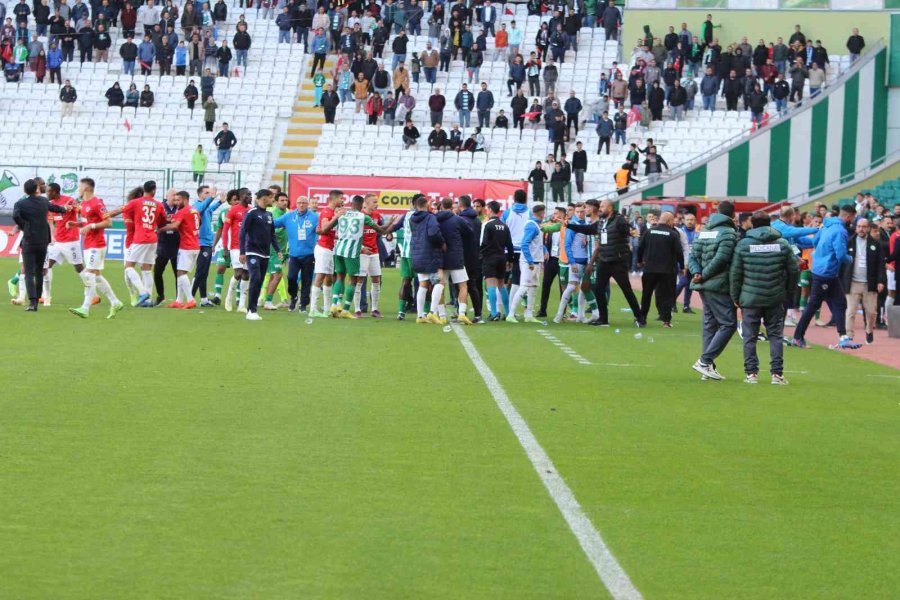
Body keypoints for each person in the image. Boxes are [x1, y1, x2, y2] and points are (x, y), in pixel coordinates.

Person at [730, 211, 799, 385]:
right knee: (775, 335)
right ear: (770, 223)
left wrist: (735, 295)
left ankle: (751, 374)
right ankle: (777, 374)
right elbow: (793, 270)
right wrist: (787, 291)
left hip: (750, 297)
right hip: (775, 296)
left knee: (750, 336)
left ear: (752, 223)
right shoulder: (782, 244)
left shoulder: (744, 244)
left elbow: (735, 273)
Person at [567, 200, 645, 327]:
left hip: (618, 261)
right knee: (598, 288)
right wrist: (568, 225)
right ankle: (603, 319)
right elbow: (587, 229)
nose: (600, 209)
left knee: (626, 290)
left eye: (603, 206)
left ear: (610, 208)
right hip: (604, 260)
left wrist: (632, 231)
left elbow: (628, 230)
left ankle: (640, 317)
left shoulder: (619, 220)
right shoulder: (601, 222)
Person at [688, 201, 739, 380]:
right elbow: (722, 259)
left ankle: (707, 367)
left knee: (710, 324)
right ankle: (704, 361)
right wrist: (704, 275)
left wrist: (697, 273)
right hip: (717, 284)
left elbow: (692, 256)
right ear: (733, 215)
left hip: (703, 284)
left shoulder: (704, 231)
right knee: (729, 323)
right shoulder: (729, 233)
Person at [319, 195, 389, 319]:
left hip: (338, 250)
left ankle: (334, 305)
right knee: (353, 280)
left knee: (340, 278)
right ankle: (345, 310)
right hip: (352, 252)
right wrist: (391, 222)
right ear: (362, 205)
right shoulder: (363, 217)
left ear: (351, 204)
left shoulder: (342, 214)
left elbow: (327, 228)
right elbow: (381, 230)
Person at [68, 178, 125, 319]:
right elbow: (87, 222)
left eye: (80, 186)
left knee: (89, 275)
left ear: (86, 188)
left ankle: (85, 308)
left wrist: (91, 226)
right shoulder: (84, 204)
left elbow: (108, 222)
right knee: (97, 277)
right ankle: (115, 302)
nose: (79, 189)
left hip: (97, 244)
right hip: (88, 244)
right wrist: (75, 224)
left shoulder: (97, 203)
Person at [11, 179, 71, 311]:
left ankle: (32, 302)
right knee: (39, 271)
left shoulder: (20, 204)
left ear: (25, 190)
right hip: (43, 240)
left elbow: (15, 216)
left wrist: (24, 226)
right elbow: (55, 208)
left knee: (28, 272)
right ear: (36, 189)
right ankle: (37, 300)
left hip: (29, 240)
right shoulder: (44, 201)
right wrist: (65, 209)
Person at [841, 219, 886, 345]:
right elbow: (842, 262)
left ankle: (869, 330)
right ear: (856, 228)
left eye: (864, 227)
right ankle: (849, 336)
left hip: (869, 283)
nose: (861, 229)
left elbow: (880, 264)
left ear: (868, 228)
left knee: (871, 312)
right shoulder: (849, 242)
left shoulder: (875, 244)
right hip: (853, 282)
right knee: (850, 311)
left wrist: (881, 281)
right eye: (859, 226)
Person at [155, 191, 201, 309]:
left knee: (181, 273)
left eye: (178, 200)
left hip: (187, 246)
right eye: (175, 200)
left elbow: (174, 226)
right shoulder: (195, 210)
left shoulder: (183, 211)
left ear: (185, 200)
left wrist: (160, 230)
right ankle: (178, 300)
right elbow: (195, 224)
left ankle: (190, 299)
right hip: (195, 244)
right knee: (180, 272)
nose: (176, 202)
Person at [239, 190, 280, 321]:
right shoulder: (251, 213)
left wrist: (278, 249)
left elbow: (272, 234)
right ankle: (250, 310)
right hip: (252, 252)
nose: (272, 200)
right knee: (255, 278)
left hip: (265, 254)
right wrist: (242, 251)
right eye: (270, 197)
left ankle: (253, 310)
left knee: (260, 281)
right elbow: (242, 232)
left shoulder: (269, 214)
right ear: (263, 198)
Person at [42, 182, 84, 307]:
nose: (46, 193)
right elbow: (52, 223)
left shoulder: (69, 200)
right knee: (46, 267)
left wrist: (74, 209)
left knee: (79, 268)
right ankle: (47, 297)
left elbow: (81, 210)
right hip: (57, 242)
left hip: (71, 240)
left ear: (54, 191)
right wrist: (52, 237)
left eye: (48, 191)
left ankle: (91, 293)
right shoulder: (49, 205)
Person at [637, 211, 683, 328]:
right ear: (669, 221)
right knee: (666, 296)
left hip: (650, 269)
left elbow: (640, 247)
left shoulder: (649, 231)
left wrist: (639, 261)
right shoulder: (673, 234)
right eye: (672, 220)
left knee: (646, 294)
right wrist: (682, 266)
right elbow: (679, 252)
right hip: (667, 270)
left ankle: (642, 319)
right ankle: (666, 321)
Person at [432, 197, 474, 324]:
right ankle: (461, 313)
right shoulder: (458, 219)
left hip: (440, 258)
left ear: (441, 206)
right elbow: (470, 233)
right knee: (462, 286)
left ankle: (442, 315)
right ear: (452, 206)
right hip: (456, 256)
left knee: (440, 286)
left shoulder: (434, 219)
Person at [274, 196, 318, 313]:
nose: (301, 205)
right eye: (299, 203)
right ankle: (294, 297)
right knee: (291, 278)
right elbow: (275, 223)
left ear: (308, 204)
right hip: (294, 254)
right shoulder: (289, 216)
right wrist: (264, 219)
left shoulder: (315, 217)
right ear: (296, 204)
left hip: (309, 254)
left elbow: (323, 229)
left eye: (304, 203)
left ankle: (303, 304)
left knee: (306, 280)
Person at [507, 204, 548, 323]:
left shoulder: (536, 225)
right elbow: (524, 244)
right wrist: (529, 260)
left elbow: (536, 243)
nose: (544, 215)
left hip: (535, 260)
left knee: (533, 287)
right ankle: (511, 314)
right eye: (543, 213)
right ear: (541, 213)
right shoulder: (532, 225)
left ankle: (529, 314)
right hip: (528, 262)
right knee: (524, 286)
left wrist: (544, 250)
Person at [480, 200, 514, 321]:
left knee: (490, 284)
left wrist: (480, 255)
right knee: (501, 285)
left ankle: (494, 313)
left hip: (490, 258)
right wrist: (510, 260)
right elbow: (510, 244)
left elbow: (483, 243)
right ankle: (508, 312)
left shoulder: (487, 225)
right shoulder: (504, 226)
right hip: (501, 258)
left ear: (489, 210)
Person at [189, 186, 223, 307]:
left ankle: (203, 299)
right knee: (200, 272)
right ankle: (190, 297)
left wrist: (220, 202)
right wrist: (212, 198)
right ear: (200, 195)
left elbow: (210, 209)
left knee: (204, 273)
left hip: (207, 243)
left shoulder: (206, 207)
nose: (208, 194)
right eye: (206, 193)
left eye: (209, 193)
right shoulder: (196, 206)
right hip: (201, 243)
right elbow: (202, 208)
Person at [221, 190, 251, 312]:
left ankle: (242, 305)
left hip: (249, 247)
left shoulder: (251, 210)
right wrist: (224, 248)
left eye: (250, 195)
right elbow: (225, 230)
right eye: (247, 195)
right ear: (240, 197)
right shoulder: (233, 210)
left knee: (246, 275)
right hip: (236, 247)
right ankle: (228, 297)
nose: (249, 197)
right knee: (238, 273)